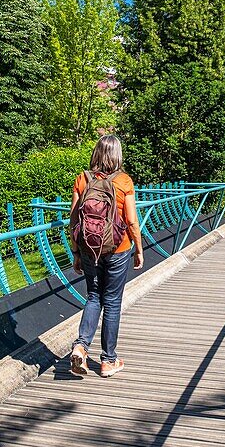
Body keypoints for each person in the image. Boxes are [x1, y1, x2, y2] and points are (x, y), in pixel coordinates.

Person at [68, 135, 143, 378]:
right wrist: (139, 250)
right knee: (111, 302)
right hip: (117, 249)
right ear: (118, 155)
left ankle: (81, 346)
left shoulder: (83, 178)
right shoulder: (124, 181)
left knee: (93, 297)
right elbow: (131, 221)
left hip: (89, 249)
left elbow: (73, 221)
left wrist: (76, 252)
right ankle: (108, 360)